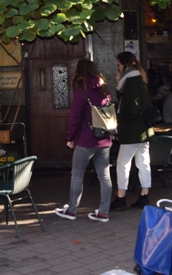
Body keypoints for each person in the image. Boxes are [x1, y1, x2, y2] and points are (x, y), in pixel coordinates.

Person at [55, 59, 113, 223]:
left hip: (87, 139)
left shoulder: (82, 90)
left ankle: (72, 210)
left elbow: (75, 117)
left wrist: (70, 138)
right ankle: (103, 212)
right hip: (105, 139)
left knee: (77, 174)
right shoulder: (104, 89)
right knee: (105, 177)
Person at [109, 52, 152, 212]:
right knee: (143, 163)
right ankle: (144, 195)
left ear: (124, 63)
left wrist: (120, 120)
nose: (118, 68)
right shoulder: (141, 77)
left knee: (123, 163)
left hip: (132, 129)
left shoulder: (131, 79)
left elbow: (129, 106)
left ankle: (121, 197)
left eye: (119, 64)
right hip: (144, 129)